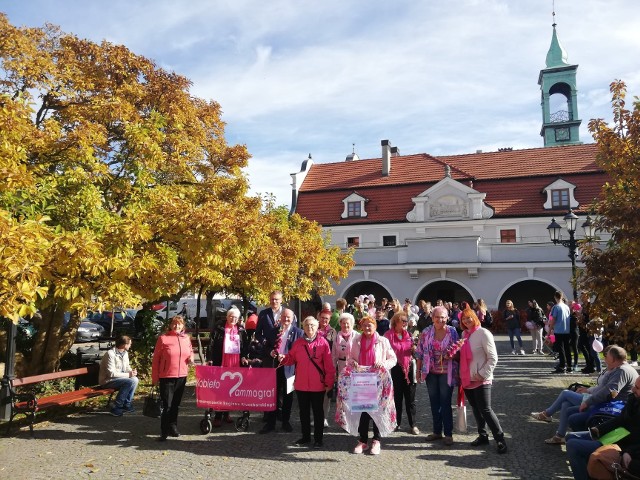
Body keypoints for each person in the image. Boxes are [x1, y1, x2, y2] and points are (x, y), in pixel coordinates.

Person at [531, 345, 638, 444]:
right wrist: (588, 390)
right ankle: (560, 435)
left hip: (609, 407)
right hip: (604, 403)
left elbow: (609, 392)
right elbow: (603, 388)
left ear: (614, 359)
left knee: (565, 394)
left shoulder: (622, 371)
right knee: (565, 404)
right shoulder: (618, 368)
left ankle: (547, 414)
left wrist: (588, 401)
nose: (605, 359)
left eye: (607, 357)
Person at [566, 376, 640, 480]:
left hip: (623, 445)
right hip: (616, 436)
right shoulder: (634, 399)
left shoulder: (622, 372)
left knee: (573, 445)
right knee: (570, 437)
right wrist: (599, 429)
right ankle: (589, 472)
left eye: (637, 388)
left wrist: (629, 452)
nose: (633, 389)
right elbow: (620, 419)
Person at [278, 316, 335, 449]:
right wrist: (283, 358)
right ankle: (305, 437)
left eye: (312, 325)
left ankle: (318, 439)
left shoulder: (323, 343)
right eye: (307, 325)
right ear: (303, 327)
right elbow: (291, 359)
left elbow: (329, 366)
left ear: (317, 327)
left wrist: (329, 383)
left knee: (318, 413)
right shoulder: (298, 343)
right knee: (303, 412)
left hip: (318, 385)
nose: (310, 328)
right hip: (301, 384)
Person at [459, 307, 508, 454]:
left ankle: (500, 439)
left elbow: (493, 358)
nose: (467, 321)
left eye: (469, 317)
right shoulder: (464, 334)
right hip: (468, 378)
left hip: (481, 378)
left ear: (475, 317)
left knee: (486, 409)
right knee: (476, 408)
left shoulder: (484, 333)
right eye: (464, 319)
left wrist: (483, 374)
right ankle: (483, 435)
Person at [349, 316, 397, 455]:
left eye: (370, 325)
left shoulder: (382, 341)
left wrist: (383, 364)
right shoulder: (356, 340)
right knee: (363, 412)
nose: (367, 328)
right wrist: (353, 363)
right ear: (361, 327)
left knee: (378, 411)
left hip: (378, 381)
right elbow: (350, 358)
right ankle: (362, 440)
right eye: (364, 325)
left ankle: (376, 440)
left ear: (375, 326)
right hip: (362, 380)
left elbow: (392, 359)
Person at [416, 305, 460, 445]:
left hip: (447, 373)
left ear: (447, 318)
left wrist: (452, 355)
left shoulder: (452, 332)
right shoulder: (426, 332)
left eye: (443, 317)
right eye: (437, 317)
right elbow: (419, 352)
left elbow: (459, 351)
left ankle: (448, 433)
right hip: (431, 372)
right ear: (432, 317)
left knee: (445, 402)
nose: (440, 320)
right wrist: (418, 371)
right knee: (434, 402)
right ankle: (437, 431)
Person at [151, 315, 194, 441]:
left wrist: (191, 357)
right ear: (170, 325)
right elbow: (156, 360)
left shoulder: (186, 338)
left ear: (183, 326)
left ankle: (173, 426)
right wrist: (155, 377)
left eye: (179, 324)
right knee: (167, 405)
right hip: (167, 377)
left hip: (182, 376)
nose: (177, 326)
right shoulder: (163, 339)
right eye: (174, 324)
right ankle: (164, 431)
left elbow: (190, 351)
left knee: (176, 405)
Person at [260, 308, 303, 434]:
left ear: (293, 318)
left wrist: (288, 356)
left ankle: (285, 421)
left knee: (288, 396)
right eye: (284, 316)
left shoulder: (298, 333)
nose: (286, 319)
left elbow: (299, 351)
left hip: (290, 368)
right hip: (275, 366)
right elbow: (266, 346)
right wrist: (270, 351)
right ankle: (270, 422)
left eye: (288, 317)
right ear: (280, 318)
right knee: (273, 395)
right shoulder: (273, 331)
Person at [205, 306, 250, 427]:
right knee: (220, 389)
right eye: (231, 316)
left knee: (231, 388)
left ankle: (226, 413)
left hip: (235, 362)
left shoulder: (241, 330)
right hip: (221, 361)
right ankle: (218, 415)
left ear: (238, 318)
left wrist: (244, 356)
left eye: (235, 317)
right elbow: (211, 344)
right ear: (227, 317)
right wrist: (209, 358)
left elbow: (245, 346)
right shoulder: (219, 328)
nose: (233, 319)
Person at [384, 312, 419, 435]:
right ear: (395, 322)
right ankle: (396, 423)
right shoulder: (388, 336)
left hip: (409, 369)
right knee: (397, 398)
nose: (405, 323)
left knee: (410, 399)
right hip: (395, 369)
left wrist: (415, 349)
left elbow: (414, 353)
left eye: (406, 321)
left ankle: (413, 424)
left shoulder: (409, 335)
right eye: (403, 321)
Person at [99, 335, 139, 417]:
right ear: (124, 345)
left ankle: (126, 404)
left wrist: (131, 371)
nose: (130, 346)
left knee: (135, 379)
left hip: (120, 379)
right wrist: (128, 375)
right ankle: (117, 407)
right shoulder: (110, 354)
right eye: (130, 344)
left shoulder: (125, 353)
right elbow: (111, 374)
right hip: (107, 381)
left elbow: (127, 367)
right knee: (129, 381)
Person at [317, 308, 337, 428]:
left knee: (326, 394)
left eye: (327, 318)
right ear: (319, 317)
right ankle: (315, 417)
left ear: (329, 320)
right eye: (322, 317)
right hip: (314, 366)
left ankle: (324, 417)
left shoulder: (332, 332)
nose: (324, 320)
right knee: (315, 394)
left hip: (327, 366)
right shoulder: (313, 328)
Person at [550, 291, 572, 373]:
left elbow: (553, 319)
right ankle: (569, 366)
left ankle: (562, 366)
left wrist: (550, 330)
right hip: (567, 330)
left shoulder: (556, 307)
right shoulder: (566, 307)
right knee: (567, 349)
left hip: (559, 330)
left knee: (561, 349)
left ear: (555, 297)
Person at [332, 312, 360, 377]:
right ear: (340, 324)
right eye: (343, 323)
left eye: (348, 323)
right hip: (341, 367)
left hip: (355, 367)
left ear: (352, 324)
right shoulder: (337, 337)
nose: (346, 325)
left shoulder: (357, 336)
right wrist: (333, 370)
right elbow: (333, 356)